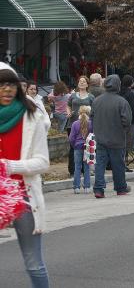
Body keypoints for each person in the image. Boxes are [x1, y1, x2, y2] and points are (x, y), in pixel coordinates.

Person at [0, 63, 51, 287]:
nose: (7, 89)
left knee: (33, 263)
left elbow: (43, 162)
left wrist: (8, 166)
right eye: (1, 85)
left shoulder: (31, 117)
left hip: (23, 196)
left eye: (11, 84)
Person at [91, 74, 132, 199]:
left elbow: (92, 117)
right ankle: (120, 187)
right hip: (117, 138)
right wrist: (121, 131)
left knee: (100, 164)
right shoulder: (121, 101)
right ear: (118, 85)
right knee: (118, 164)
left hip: (101, 137)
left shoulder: (97, 100)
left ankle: (99, 189)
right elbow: (127, 121)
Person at [66, 76, 95, 176]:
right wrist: (69, 112)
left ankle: (85, 169)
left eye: (84, 82)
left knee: (86, 146)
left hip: (87, 125)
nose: (81, 83)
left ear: (87, 84)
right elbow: (68, 105)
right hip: (73, 124)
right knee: (73, 146)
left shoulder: (91, 97)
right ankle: (72, 170)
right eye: (80, 81)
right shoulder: (73, 95)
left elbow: (94, 110)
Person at [69, 105, 93, 194]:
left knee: (77, 167)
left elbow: (71, 138)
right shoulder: (91, 123)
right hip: (87, 147)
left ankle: (76, 187)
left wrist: (74, 145)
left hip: (77, 147)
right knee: (87, 167)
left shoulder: (75, 123)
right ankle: (87, 187)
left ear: (79, 113)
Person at [120, 75, 134, 172]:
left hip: (119, 121)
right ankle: (124, 163)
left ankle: (121, 163)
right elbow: (133, 108)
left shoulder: (119, 93)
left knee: (121, 142)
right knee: (127, 143)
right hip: (130, 121)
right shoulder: (130, 94)